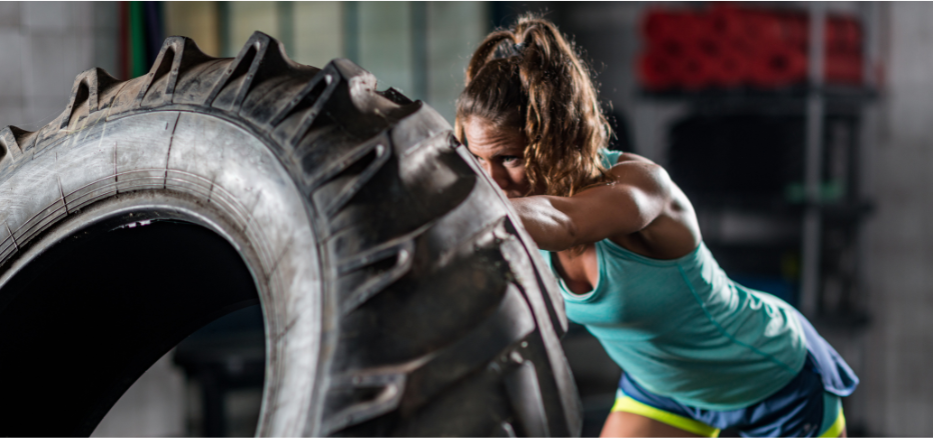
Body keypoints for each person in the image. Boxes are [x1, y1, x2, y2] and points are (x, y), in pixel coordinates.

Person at [455, 14, 858, 438]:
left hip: (771, 381)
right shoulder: (514, 215)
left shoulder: (640, 187)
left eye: (509, 159)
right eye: (477, 160)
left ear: (559, 135)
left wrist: (456, 208)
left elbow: (566, 222)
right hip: (663, 391)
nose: (492, 181)